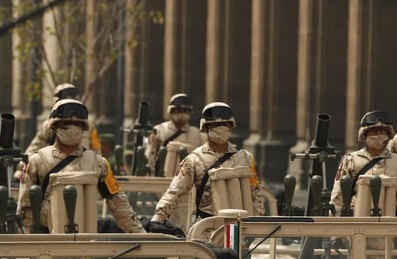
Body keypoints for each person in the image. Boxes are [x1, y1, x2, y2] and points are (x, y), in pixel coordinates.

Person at [17, 98, 145, 233]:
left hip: (87, 240)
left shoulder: (99, 164)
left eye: (77, 123)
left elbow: (120, 205)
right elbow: (24, 210)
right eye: (66, 123)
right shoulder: (37, 162)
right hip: (47, 243)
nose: (72, 127)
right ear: (54, 126)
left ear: (84, 127)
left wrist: (143, 237)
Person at [151, 102, 265, 238]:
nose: (221, 128)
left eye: (226, 124)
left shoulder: (245, 158)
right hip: (206, 231)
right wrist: (158, 217)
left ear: (231, 126)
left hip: (240, 231)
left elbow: (255, 193)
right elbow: (174, 191)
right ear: (205, 127)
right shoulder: (194, 160)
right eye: (215, 125)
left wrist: (255, 225)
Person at [330, 110, 397, 217]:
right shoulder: (350, 160)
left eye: (382, 131)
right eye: (373, 131)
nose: (378, 134)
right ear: (364, 134)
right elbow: (338, 197)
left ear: (388, 133)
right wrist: (336, 228)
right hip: (357, 223)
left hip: (388, 223)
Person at [23, 83, 102, 157]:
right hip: (55, 165)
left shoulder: (89, 124)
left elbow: (96, 150)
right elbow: (32, 150)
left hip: (84, 167)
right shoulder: (48, 126)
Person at [144, 93, 203, 176]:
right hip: (163, 177)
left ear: (190, 112)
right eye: (178, 110)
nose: (182, 114)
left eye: (185, 110)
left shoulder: (198, 134)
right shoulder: (159, 130)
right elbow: (150, 156)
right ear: (171, 111)